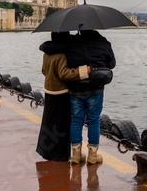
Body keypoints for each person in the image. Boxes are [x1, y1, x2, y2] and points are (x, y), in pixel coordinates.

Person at [36, 32, 90, 162]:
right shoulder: (61, 54)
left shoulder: (47, 52)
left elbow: (44, 70)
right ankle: (60, 154)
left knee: (49, 123)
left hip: (49, 91)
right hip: (61, 92)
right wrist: (83, 70)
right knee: (61, 124)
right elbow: (64, 74)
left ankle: (47, 151)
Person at [64, 29, 116, 164]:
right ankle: (93, 155)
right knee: (93, 120)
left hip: (75, 88)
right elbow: (111, 64)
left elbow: (67, 63)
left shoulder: (71, 43)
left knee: (76, 119)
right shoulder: (103, 42)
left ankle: (76, 154)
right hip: (95, 89)